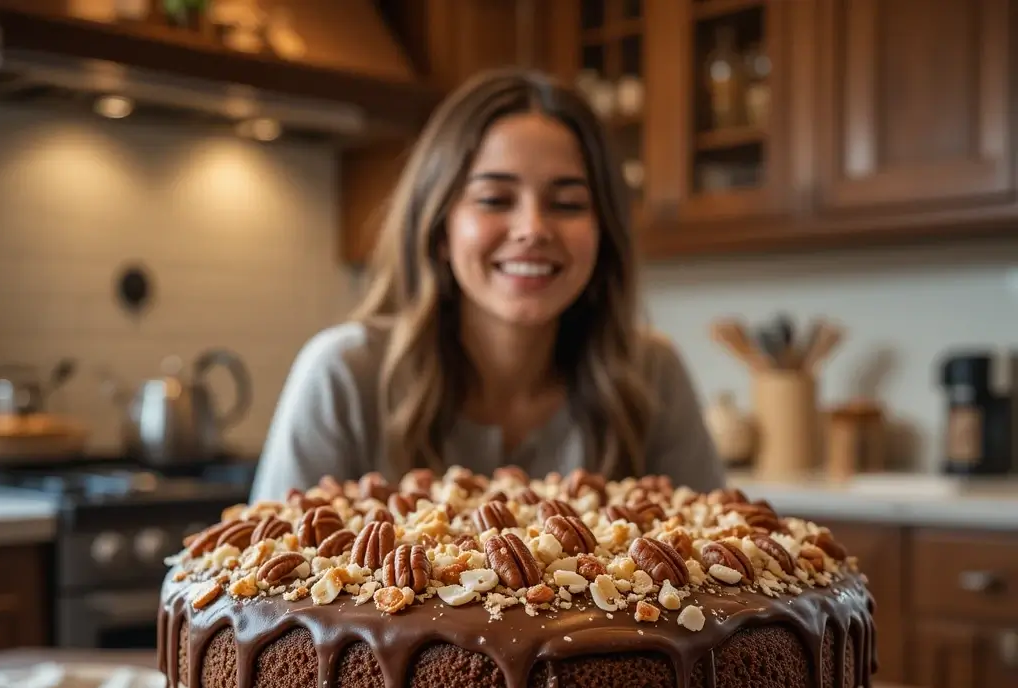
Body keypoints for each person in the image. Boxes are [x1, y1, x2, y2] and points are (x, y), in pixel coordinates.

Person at [251, 68, 724, 502]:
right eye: (495, 198)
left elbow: (724, 567)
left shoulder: (651, 375)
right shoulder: (342, 376)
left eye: (568, 203)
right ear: (439, 229)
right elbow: (257, 580)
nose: (533, 228)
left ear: (604, 233)